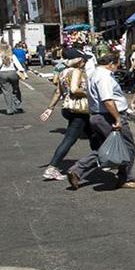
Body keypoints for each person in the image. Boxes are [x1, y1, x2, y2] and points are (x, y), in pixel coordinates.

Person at [67, 53, 135, 190]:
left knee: (104, 148)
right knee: (127, 147)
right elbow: (107, 99)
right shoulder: (104, 77)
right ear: (111, 64)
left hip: (97, 115)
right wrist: (117, 118)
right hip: (108, 116)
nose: (117, 68)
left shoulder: (94, 74)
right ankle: (125, 178)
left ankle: (77, 170)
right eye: (117, 65)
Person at [40, 48, 97, 181]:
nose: (84, 62)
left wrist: (50, 108)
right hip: (79, 109)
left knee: (93, 134)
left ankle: (102, 159)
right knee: (69, 139)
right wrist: (89, 93)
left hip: (69, 109)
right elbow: (74, 89)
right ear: (77, 61)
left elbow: (58, 92)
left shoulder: (62, 72)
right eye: (83, 60)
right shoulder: (76, 71)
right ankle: (52, 167)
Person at [0, 42, 27, 114]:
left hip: (2, 74)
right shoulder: (12, 55)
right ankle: (17, 106)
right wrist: (22, 72)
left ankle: (9, 109)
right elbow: (18, 66)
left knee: (6, 92)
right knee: (16, 89)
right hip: (12, 73)